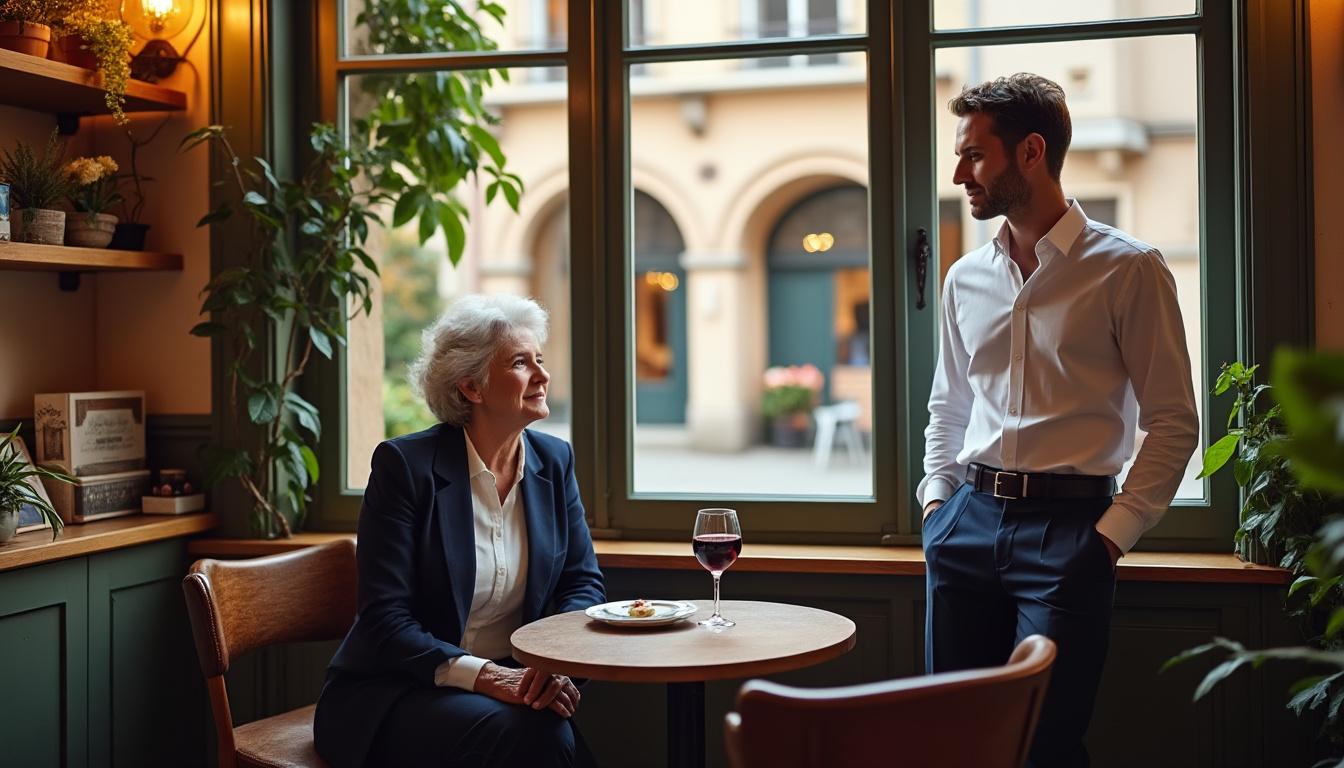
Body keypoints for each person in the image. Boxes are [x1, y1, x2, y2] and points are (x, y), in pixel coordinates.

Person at [919, 73, 1199, 768]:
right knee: (952, 736)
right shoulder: (963, 278)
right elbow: (949, 404)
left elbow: (1174, 421)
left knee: (1045, 744)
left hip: (1071, 533)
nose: (959, 175)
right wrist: (936, 506)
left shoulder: (1129, 270)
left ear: (1031, 152)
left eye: (974, 156)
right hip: (966, 522)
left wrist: (1108, 539)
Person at [314, 294, 606, 768]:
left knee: (545, 734)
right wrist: (487, 676)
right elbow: (385, 620)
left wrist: (552, 663)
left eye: (540, 359)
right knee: (543, 737)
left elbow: (582, 582)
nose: (542, 375)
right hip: (396, 692)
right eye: (520, 363)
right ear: (471, 387)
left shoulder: (555, 461)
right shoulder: (404, 467)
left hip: (512, 689)